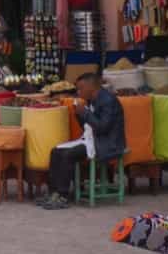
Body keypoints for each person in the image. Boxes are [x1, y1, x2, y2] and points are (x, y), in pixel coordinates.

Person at [41, 72, 125, 210]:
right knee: (56, 151)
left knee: (68, 154)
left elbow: (102, 128)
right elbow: (87, 126)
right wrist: (79, 114)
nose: (78, 92)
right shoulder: (92, 99)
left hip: (107, 143)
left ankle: (62, 196)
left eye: (80, 89)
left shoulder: (108, 101)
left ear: (91, 88)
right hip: (93, 139)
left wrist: (85, 113)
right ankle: (53, 193)